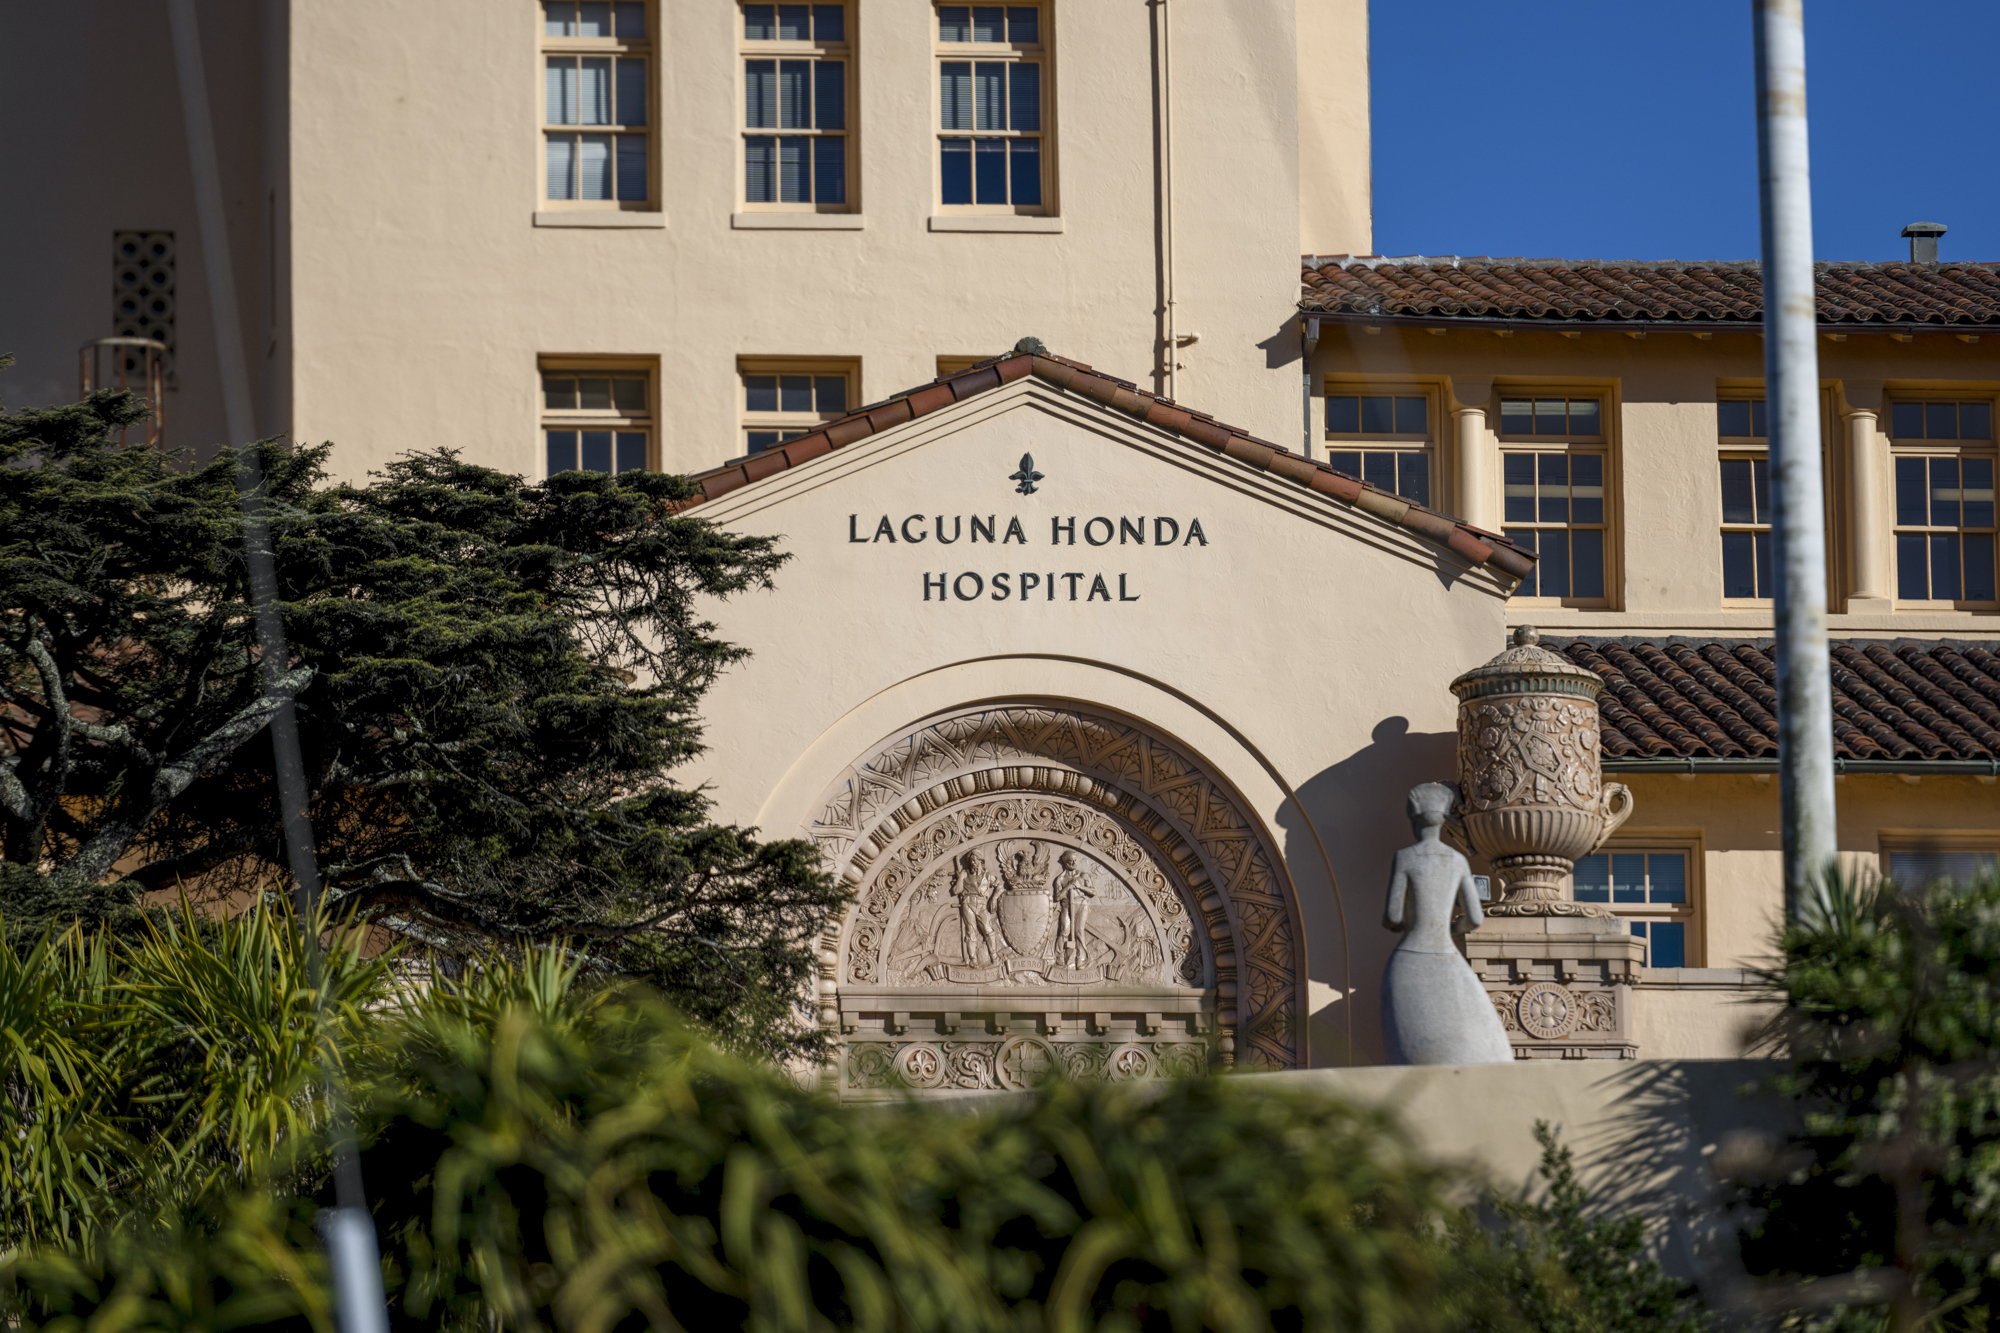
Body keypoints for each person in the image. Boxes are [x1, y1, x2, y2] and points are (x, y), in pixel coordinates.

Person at [1380, 782, 1513, 1065]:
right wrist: (1451, 929)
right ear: (1442, 819)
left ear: (1414, 816)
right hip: (1448, 956)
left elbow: (1392, 915)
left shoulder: (1405, 858)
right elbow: (1475, 918)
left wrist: (1398, 925)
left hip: (1409, 955)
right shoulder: (1457, 860)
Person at [1051, 850, 1100, 969]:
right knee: (1063, 930)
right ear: (1065, 863)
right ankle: (1059, 957)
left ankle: (1081, 960)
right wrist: (1068, 887)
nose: (1073, 863)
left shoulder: (1083, 876)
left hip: (1081, 905)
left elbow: (1093, 892)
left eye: (1074, 861)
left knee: (1079, 931)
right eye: (1070, 861)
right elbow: (1057, 897)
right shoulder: (1060, 879)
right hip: (1067, 905)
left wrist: (1080, 886)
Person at [951, 848, 1000, 965]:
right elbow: (956, 891)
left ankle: (994, 956)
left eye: (976, 860)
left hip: (982, 904)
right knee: (970, 932)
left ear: (981, 862)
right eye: (971, 860)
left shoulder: (987, 876)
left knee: (988, 930)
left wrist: (994, 898)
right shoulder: (965, 874)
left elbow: (1000, 886)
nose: (973, 862)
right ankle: (973, 959)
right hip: (968, 904)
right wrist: (961, 878)